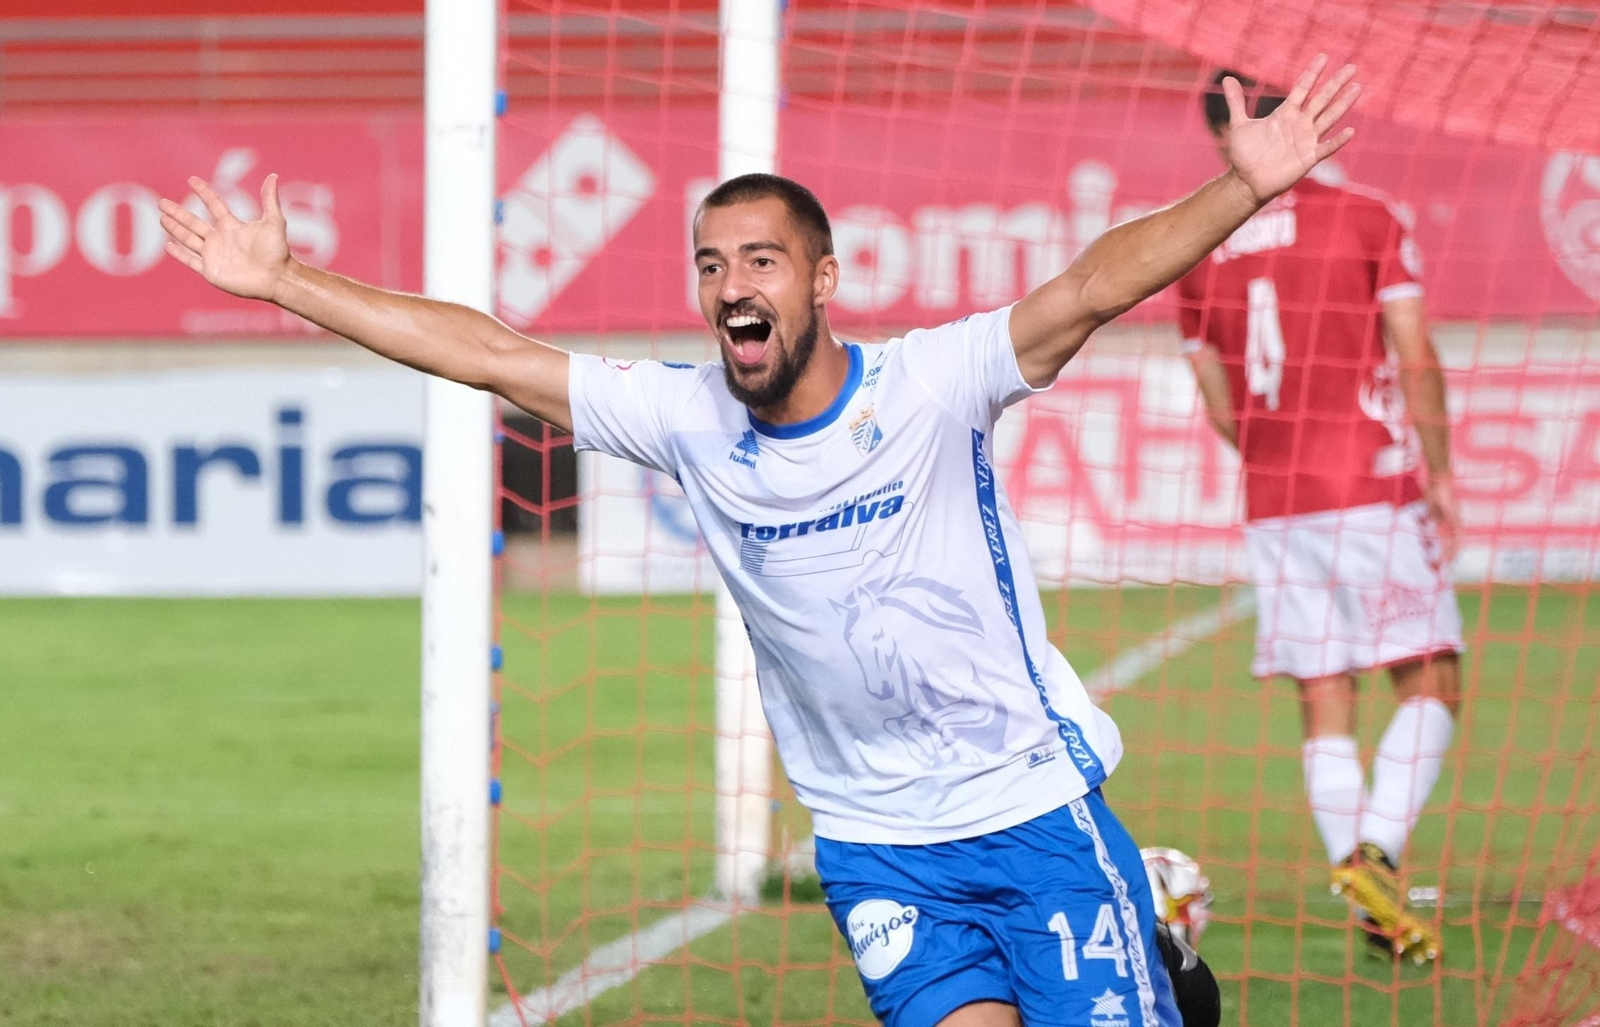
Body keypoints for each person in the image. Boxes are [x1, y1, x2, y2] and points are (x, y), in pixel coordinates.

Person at [160, 56, 1359, 1027]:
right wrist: (288, 282)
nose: (733, 282)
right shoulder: (684, 414)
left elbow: (1089, 287)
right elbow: (489, 353)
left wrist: (1243, 188)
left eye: (762, 260)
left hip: (1030, 807)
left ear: (822, 279)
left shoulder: (931, 385)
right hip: (878, 844)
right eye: (711, 262)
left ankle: (1161, 960)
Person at [1177, 69, 1463, 964]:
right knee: (1431, 678)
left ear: (1222, 131)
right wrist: (1443, 472)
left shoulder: (1200, 248)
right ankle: (1375, 850)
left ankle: (1369, 894)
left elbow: (1218, 401)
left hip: (1276, 496)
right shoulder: (1368, 215)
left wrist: (1274, 459)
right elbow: (1413, 354)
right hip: (1369, 483)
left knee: (1324, 698)